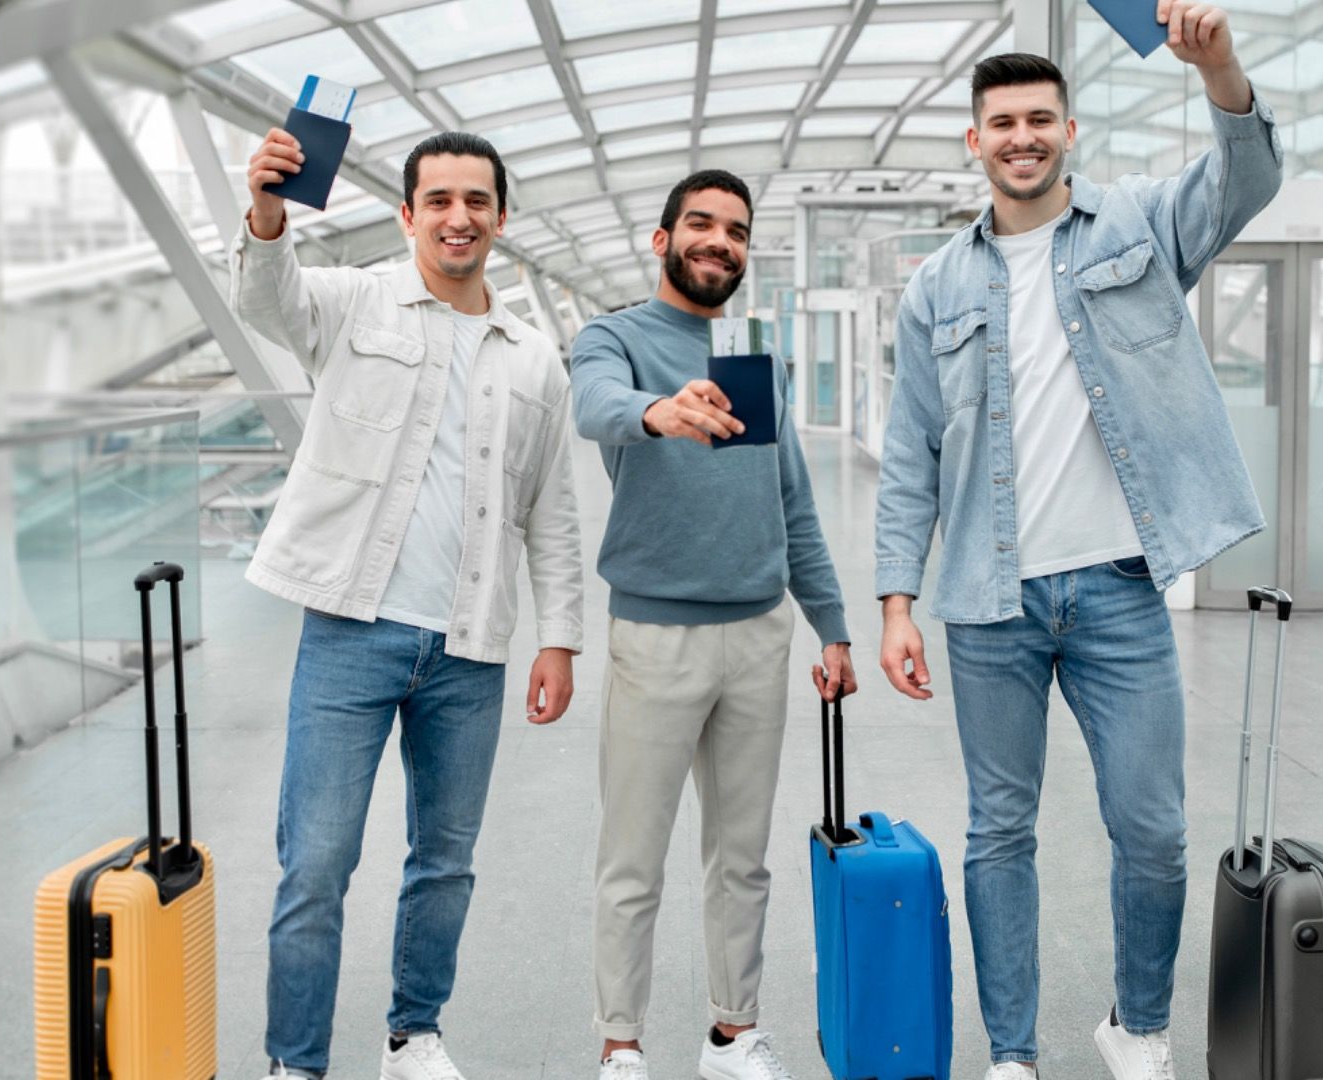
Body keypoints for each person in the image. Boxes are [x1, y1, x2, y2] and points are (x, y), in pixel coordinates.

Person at [871, 3, 1282, 1078]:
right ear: (975, 139)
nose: (1022, 137)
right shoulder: (937, 287)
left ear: (1069, 130)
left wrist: (1221, 68)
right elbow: (910, 452)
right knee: (998, 834)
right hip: (986, 601)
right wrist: (894, 600)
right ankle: (1012, 1054)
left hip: (1115, 591)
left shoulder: (1141, 225)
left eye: (1040, 118)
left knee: (1152, 831)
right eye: (1001, 122)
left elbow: (1246, 181)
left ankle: (1137, 1027)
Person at [233, 128, 583, 1080]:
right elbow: (268, 296)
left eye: (477, 201)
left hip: (469, 650)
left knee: (445, 861)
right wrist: (267, 212)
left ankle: (413, 1034)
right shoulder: (353, 305)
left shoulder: (533, 359)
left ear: (501, 218)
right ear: (408, 214)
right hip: (351, 631)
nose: (459, 217)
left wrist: (560, 639)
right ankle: (295, 1062)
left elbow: (550, 508)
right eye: (439, 201)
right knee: (316, 863)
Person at [569, 168, 857, 1080]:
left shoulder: (755, 359)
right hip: (655, 639)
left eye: (735, 231)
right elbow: (595, 408)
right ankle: (621, 1043)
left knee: (743, 859)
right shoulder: (612, 338)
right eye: (700, 224)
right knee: (634, 858)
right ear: (662, 240)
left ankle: (733, 1032)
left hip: (757, 637)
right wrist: (662, 412)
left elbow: (793, 505)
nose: (719, 242)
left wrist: (834, 627)